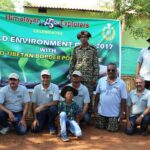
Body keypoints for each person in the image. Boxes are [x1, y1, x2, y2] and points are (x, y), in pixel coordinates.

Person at [69, 30, 99, 111]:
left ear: (88, 38)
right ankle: (74, 114)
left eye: (85, 37)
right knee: (75, 96)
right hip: (76, 79)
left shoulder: (93, 49)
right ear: (79, 38)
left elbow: (96, 64)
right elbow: (72, 63)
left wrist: (95, 78)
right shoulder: (76, 49)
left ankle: (87, 116)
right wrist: (71, 76)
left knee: (88, 97)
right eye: (81, 37)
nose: (83, 39)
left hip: (89, 79)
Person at [94, 63, 127, 132]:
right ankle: (107, 122)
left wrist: (122, 112)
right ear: (106, 71)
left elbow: (123, 99)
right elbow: (97, 95)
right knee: (100, 127)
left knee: (112, 129)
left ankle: (113, 122)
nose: (110, 72)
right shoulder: (101, 80)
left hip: (114, 114)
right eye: (108, 70)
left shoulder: (121, 83)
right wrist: (95, 108)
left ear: (116, 71)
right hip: (101, 112)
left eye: (113, 70)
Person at [31, 70, 59, 134]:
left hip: (49, 110)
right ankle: (42, 122)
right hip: (40, 111)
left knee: (53, 109)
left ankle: (51, 124)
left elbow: (55, 102)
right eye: (43, 77)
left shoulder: (55, 87)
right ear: (41, 78)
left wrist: (42, 106)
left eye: (47, 77)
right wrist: (35, 119)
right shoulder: (36, 88)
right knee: (35, 130)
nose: (45, 79)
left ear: (50, 77)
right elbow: (34, 104)